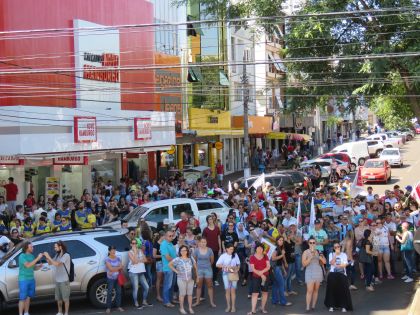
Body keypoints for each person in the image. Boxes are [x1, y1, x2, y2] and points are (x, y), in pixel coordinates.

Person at [44, 241, 71, 315]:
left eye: (55, 247)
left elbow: (57, 264)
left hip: (64, 280)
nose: (54, 249)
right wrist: (47, 257)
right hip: (58, 280)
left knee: (65, 298)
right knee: (58, 298)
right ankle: (60, 312)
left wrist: (49, 257)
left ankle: (66, 313)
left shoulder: (66, 255)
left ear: (60, 247)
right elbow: (50, 263)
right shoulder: (57, 255)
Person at [169, 244, 198, 314]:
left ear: (187, 251)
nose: (183, 252)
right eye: (182, 251)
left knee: (190, 294)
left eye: (185, 250)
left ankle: (190, 308)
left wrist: (197, 276)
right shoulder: (177, 259)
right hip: (181, 279)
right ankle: (181, 308)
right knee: (182, 294)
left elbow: (195, 268)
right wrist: (176, 271)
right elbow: (170, 264)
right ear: (180, 252)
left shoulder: (191, 258)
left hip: (191, 279)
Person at [324, 242, 353, 312]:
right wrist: (335, 255)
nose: (337, 248)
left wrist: (338, 265)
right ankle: (331, 305)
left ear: (340, 247)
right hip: (333, 273)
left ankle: (344, 306)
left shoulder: (344, 255)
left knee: (343, 291)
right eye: (335, 247)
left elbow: (345, 264)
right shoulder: (331, 254)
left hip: (342, 274)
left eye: (338, 247)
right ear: (333, 248)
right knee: (332, 290)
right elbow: (331, 263)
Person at [302, 236, 326, 312]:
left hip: (318, 271)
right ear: (308, 244)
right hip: (309, 271)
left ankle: (313, 306)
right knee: (309, 290)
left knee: (316, 290)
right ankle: (307, 307)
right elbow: (303, 264)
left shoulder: (319, 251)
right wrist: (311, 257)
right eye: (310, 243)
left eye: (314, 243)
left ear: (316, 243)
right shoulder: (305, 252)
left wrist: (320, 257)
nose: (312, 244)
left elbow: (324, 262)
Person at [18, 242, 43, 315]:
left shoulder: (32, 256)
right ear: (26, 248)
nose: (33, 248)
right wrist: (38, 258)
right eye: (31, 247)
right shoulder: (22, 256)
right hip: (23, 279)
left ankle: (26, 312)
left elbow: (33, 267)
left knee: (28, 297)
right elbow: (28, 265)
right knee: (22, 298)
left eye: (32, 247)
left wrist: (39, 267)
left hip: (31, 279)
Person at [127, 238, 152, 308]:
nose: (135, 245)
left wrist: (138, 260)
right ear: (131, 244)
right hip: (133, 272)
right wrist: (135, 252)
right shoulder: (130, 252)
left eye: (136, 243)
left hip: (141, 272)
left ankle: (144, 301)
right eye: (133, 243)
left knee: (146, 287)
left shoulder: (140, 250)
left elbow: (145, 260)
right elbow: (134, 262)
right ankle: (136, 302)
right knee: (136, 288)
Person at [216, 243, 240, 312]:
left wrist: (236, 269)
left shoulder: (235, 255)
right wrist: (225, 266)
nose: (232, 250)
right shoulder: (223, 256)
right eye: (230, 249)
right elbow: (217, 264)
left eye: (232, 249)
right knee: (227, 291)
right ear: (226, 249)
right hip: (225, 274)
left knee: (233, 291)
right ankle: (228, 306)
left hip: (233, 274)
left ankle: (233, 307)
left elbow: (238, 264)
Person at [193, 236, 216, 307]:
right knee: (199, 286)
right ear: (199, 242)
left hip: (208, 269)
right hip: (199, 269)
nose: (203, 243)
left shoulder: (209, 250)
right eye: (202, 242)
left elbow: (212, 260)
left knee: (210, 286)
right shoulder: (196, 250)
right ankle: (197, 301)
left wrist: (207, 265)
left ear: (206, 243)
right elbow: (194, 261)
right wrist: (195, 270)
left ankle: (211, 302)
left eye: (204, 242)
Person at [248, 242, 271, 315]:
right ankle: (253, 310)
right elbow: (253, 269)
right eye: (258, 248)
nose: (260, 249)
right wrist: (261, 275)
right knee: (255, 294)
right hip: (256, 277)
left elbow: (268, 266)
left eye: (261, 248)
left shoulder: (265, 256)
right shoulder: (252, 257)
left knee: (265, 292)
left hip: (265, 276)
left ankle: (263, 308)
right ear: (255, 249)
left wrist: (261, 272)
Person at [271, 236, 292, 306]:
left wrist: (283, 270)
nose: (281, 241)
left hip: (278, 267)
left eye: (282, 240)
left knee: (275, 285)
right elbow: (273, 258)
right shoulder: (276, 248)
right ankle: (283, 301)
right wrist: (282, 255)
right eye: (280, 240)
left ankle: (275, 300)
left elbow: (280, 262)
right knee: (281, 284)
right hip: (276, 268)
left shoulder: (280, 248)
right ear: (277, 241)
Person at [104, 245, 124, 313]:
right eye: (112, 250)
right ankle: (108, 308)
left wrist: (113, 269)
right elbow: (110, 268)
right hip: (110, 279)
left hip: (118, 278)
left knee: (119, 292)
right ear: (109, 251)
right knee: (109, 293)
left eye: (114, 250)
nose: (113, 251)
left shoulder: (118, 258)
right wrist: (117, 268)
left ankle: (118, 306)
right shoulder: (107, 259)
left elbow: (121, 267)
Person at [161, 229, 177, 307]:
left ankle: (170, 300)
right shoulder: (164, 244)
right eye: (170, 236)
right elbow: (167, 257)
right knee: (167, 285)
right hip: (168, 268)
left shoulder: (170, 243)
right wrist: (177, 261)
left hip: (173, 267)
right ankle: (166, 301)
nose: (171, 237)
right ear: (165, 236)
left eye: (172, 236)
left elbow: (174, 255)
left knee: (172, 284)